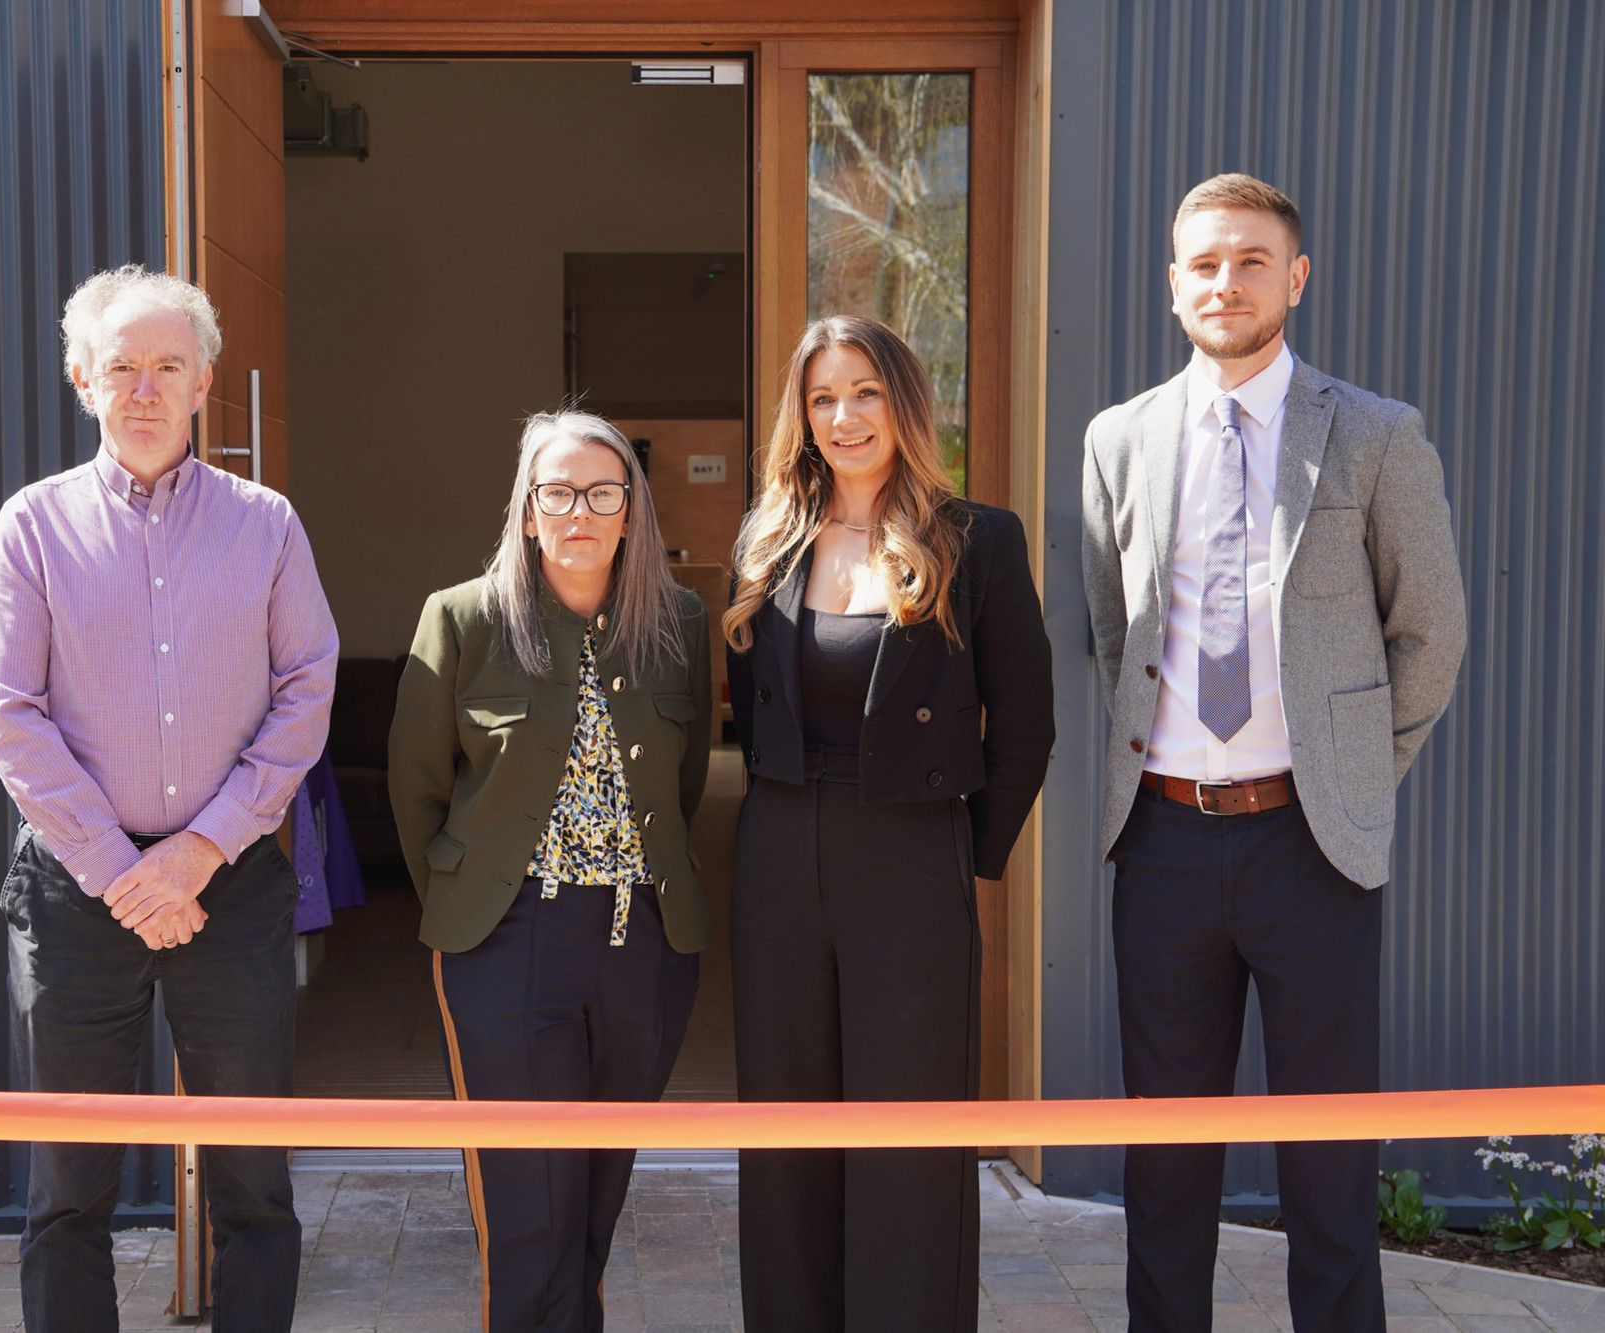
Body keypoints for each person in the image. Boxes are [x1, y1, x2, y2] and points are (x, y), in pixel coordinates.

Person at [1080, 174, 1468, 1332]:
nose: (1224, 281)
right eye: (1202, 263)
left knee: (1329, 1167)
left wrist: (1346, 780)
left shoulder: (1373, 433)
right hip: (1159, 844)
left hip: (1313, 846)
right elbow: (1113, 630)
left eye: (1250, 260)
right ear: (1170, 285)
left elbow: (1429, 632)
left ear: (1293, 278)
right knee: (1163, 1164)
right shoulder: (1119, 440)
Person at [0, 264, 336, 1333]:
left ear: (202, 381)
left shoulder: (265, 524)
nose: (143, 387)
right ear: (80, 379)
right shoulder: (31, 529)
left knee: (255, 1186)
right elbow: (10, 714)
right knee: (68, 1188)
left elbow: (305, 690)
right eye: (120, 366)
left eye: (166, 365)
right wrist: (122, 870)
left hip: (232, 885)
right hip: (77, 896)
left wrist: (199, 851)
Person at [725, 315, 1054, 1330]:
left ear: (903, 403)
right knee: (784, 1131)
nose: (842, 416)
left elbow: (1027, 722)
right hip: (778, 853)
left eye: (863, 392)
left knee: (906, 1138)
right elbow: (748, 708)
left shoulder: (976, 538)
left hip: (911, 855)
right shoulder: (767, 535)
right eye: (821, 398)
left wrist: (965, 853)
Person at [389, 411, 712, 1333]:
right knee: (529, 1205)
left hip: (643, 944)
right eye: (558, 492)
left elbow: (685, 787)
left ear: (631, 512)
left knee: (598, 1197)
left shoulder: (678, 621)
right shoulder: (462, 618)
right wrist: (475, 897)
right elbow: (415, 792)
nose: (581, 510)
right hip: (508, 939)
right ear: (528, 513)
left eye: (603, 493)